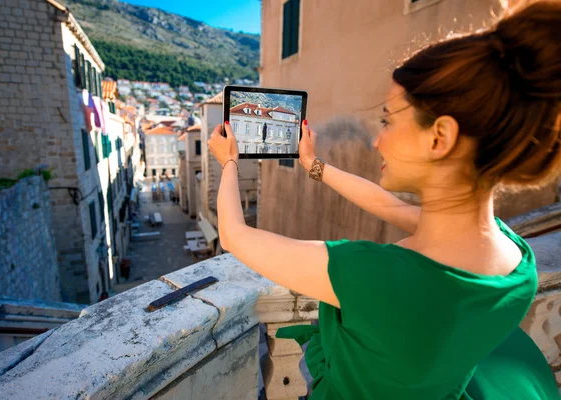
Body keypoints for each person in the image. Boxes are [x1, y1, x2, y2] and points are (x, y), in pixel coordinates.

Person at [208, 2, 561, 399]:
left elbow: (235, 237)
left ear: (438, 137)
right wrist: (313, 165)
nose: (378, 139)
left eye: (388, 120)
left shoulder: (373, 275)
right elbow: (390, 206)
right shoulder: (516, 259)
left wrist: (230, 163)